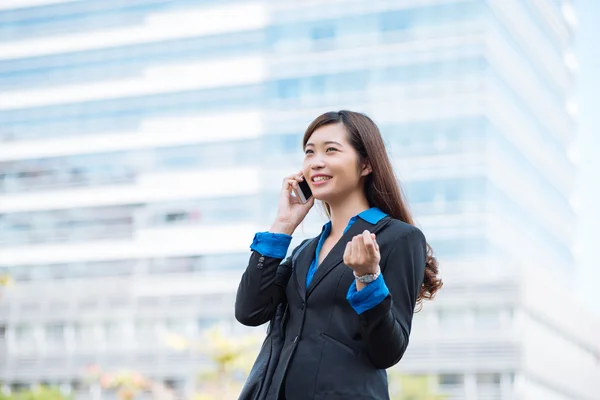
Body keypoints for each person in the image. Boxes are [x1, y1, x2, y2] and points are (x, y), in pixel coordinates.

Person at [235, 110, 443, 400]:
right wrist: (282, 227)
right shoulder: (304, 251)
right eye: (309, 153)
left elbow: (388, 351)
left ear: (366, 164)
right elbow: (249, 312)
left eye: (331, 150)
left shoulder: (398, 238)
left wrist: (368, 278)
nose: (316, 162)